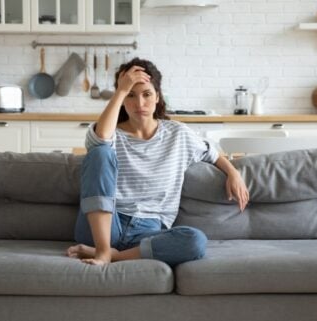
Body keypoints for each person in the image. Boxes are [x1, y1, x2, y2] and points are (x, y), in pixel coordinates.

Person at [66, 58, 249, 266]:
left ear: (157, 97)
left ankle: (111, 255)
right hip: (104, 224)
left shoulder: (178, 134)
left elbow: (213, 154)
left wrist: (233, 173)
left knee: (195, 240)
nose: (140, 104)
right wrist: (120, 90)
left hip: (148, 232)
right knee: (100, 153)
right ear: (123, 99)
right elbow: (100, 140)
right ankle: (102, 248)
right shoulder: (111, 134)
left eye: (146, 94)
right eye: (131, 95)